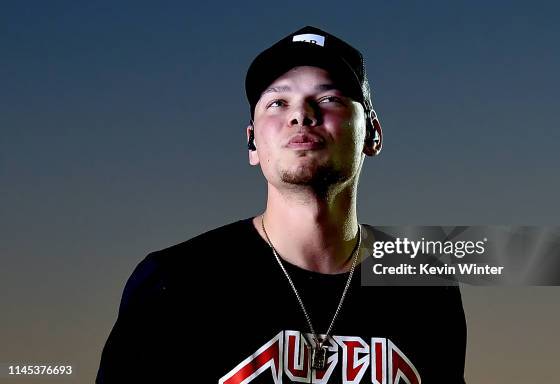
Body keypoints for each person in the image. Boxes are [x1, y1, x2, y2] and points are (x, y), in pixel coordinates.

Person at [97, 26, 466, 383]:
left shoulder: (425, 287)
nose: (301, 114)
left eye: (329, 98)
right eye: (277, 102)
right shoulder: (175, 281)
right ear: (252, 143)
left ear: (372, 133)